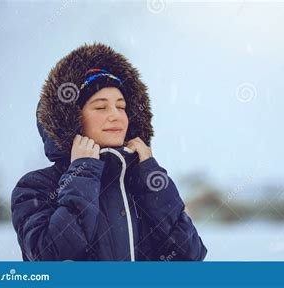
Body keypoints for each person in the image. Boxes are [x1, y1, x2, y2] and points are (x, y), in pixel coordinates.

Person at [11, 43, 207, 261]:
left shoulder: (141, 180)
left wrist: (152, 179)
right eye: (100, 107)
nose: (116, 115)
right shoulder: (36, 187)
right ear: (73, 118)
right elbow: (48, 260)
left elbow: (191, 257)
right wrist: (82, 174)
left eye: (121, 107)